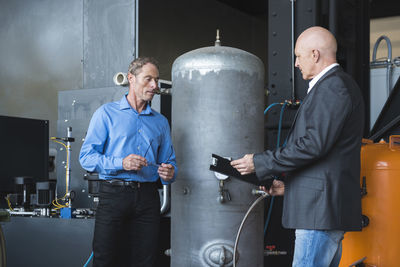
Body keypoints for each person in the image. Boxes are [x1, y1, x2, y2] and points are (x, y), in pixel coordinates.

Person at [231, 26, 364, 267]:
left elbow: (313, 145)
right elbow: (326, 157)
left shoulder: (332, 87)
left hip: (318, 215)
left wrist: (259, 162)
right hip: (322, 211)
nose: (295, 63)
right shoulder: (336, 86)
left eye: (298, 56)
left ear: (314, 54)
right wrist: (290, 186)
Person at [79, 57, 177, 267]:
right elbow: (86, 158)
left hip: (148, 198)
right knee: (105, 258)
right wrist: (120, 163)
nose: (154, 86)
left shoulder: (160, 122)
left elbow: (170, 162)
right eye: (148, 79)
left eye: (156, 80)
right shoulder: (106, 114)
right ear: (131, 79)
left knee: (146, 260)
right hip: (113, 196)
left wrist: (170, 172)